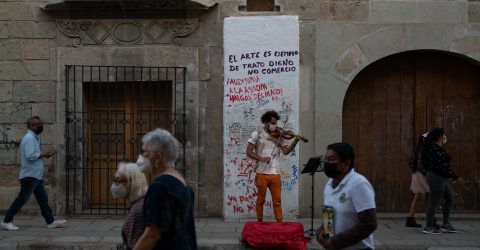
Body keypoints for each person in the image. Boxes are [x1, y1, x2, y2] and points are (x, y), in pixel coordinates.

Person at [133, 128, 197, 250]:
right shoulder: (181, 182)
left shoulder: (160, 186)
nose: (141, 157)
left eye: (145, 152)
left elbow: (153, 235)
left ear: (158, 157)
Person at [1, 116, 66, 231]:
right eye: (38, 124)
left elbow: (34, 153)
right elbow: (30, 156)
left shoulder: (35, 138)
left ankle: (50, 222)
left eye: (41, 123)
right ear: (32, 126)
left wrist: (43, 153)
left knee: (43, 199)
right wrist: (43, 154)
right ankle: (6, 221)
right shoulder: (30, 138)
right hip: (30, 176)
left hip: (36, 175)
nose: (41, 126)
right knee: (21, 199)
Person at [316, 143, 377, 250]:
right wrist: (323, 233)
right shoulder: (329, 184)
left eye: (331, 159)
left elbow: (369, 223)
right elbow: (328, 214)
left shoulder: (359, 183)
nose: (327, 163)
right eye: (326, 159)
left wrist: (336, 241)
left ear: (346, 163)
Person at [246, 110, 303, 222]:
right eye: (272, 123)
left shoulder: (279, 136)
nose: (275, 126)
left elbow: (286, 151)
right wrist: (261, 158)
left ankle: (280, 223)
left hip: (275, 173)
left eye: (276, 123)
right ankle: (259, 222)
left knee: (277, 201)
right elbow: (248, 152)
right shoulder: (257, 134)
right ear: (266, 122)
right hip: (261, 173)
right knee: (260, 200)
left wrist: (295, 141)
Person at [422, 128, 465, 235]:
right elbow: (443, 166)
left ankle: (445, 224)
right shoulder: (434, 149)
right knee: (433, 201)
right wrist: (456, 177)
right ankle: (428, 226)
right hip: (436, 177)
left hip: (441, 178)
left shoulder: (436, 148)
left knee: (449, 198)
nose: (445, 137)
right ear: (440, 136)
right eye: (444, 135)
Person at [111, 162, 148, 250]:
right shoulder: (140, 203)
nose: (115, 185)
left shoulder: (138, 209)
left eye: (118, 181)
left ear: (132, 182)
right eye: (115, 180)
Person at [406, 133, 430, 227]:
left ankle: (410, 218)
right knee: (429, 197)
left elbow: (412, 163)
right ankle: (431, 219)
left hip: (416, 174)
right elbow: (422, 165)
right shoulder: (424, 151)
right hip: (422, 175)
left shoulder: (417, 151)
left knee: (417, 196)